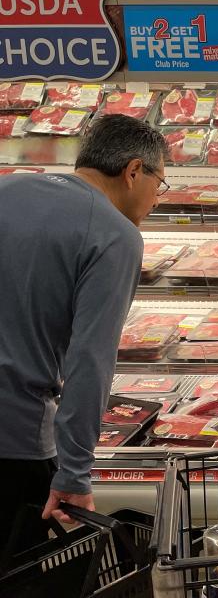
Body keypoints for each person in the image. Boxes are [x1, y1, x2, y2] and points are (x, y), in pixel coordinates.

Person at [0, 114, 166, 557]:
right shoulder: (114, 235)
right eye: (159, 183)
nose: (156, 198)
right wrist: (74, 473)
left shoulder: (8, 188)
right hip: (13, 437)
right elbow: (89, 361)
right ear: (133, 171)